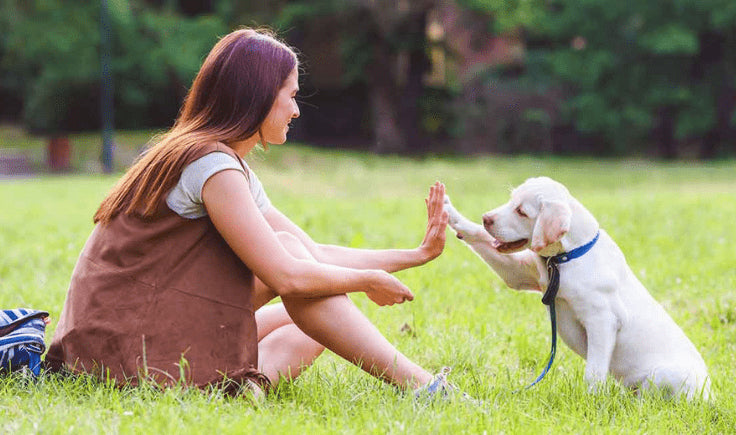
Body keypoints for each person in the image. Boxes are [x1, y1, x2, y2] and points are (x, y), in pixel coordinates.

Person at [45, 27, 453, 397]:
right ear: (258, 96)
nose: (296, 110)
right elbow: (287, 275)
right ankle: (424, 388)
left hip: (117, 336)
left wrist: (416, 255)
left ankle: (242, 391)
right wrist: (366, 281)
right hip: (117, 350)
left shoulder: (215, 157)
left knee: (315, 330)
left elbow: (311, 254)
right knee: (303, 276)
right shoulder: (209, 164)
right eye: (291, 96)